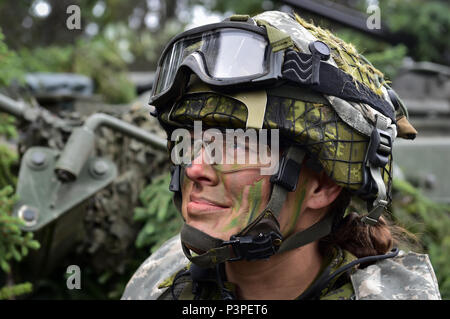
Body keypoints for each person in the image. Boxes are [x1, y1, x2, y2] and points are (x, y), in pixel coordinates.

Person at [122, 10, 441, 300]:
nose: (195, 169)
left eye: (236, 148)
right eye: (189, 142)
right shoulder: (158, 282)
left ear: (322, 186)